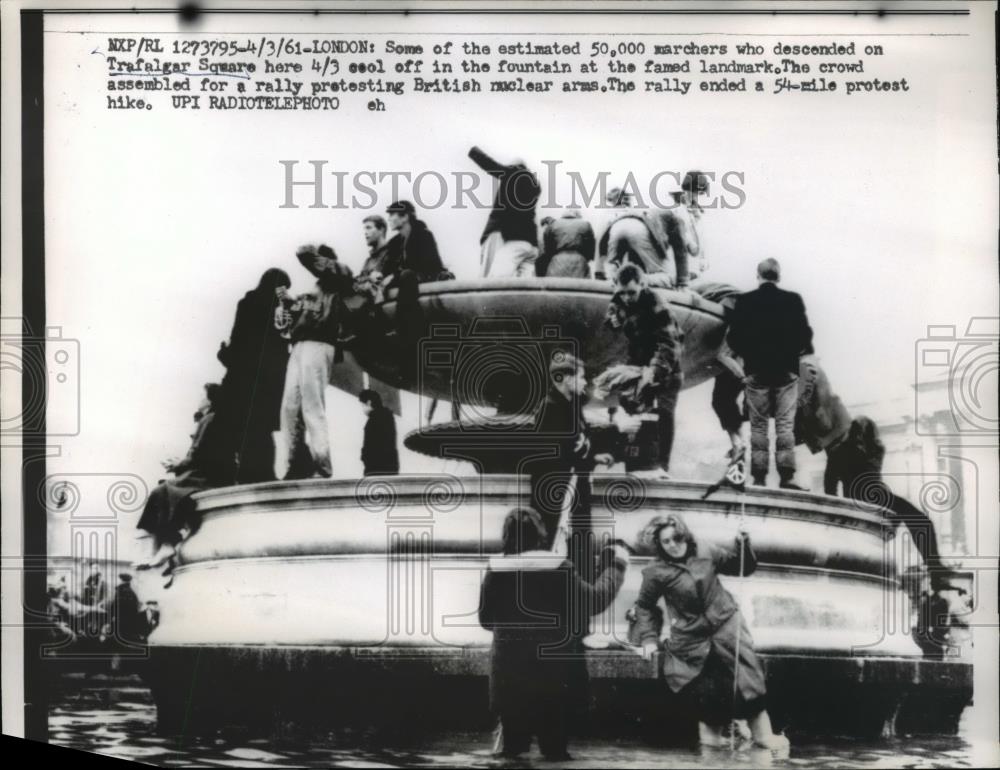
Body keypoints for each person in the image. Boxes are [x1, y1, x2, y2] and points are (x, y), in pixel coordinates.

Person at [479, 507, 630, 760]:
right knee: (556, 753)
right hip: (553, 678)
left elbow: (485, 620)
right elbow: (594, 601)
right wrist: (616, 565)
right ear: (541, 534)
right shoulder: (559, 567)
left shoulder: (496, 569)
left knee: (510, 754)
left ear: (506, 535)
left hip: (509, 678)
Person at [634, 513, 789, 753]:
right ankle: (712, 744)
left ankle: (763, 736)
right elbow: (644, 606)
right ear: (659, 544)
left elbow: (742, 567)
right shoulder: (655, 572)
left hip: (727, 626)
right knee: (708, 691)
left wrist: (743, 543)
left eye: (677, 538)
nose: (673, 545)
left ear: (684, 534)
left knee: (747, 679)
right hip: (691, 638)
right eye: (666, 542)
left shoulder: (706, 550)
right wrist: (648, 639)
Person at [825, 416, 947, 587]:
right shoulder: (876, 448)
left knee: (917, 520)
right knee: (921, 521)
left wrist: (840, 507)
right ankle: (936, 569)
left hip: (859, 497)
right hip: (876, 496)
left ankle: (936, 569)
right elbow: (869, 477)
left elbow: (829, 485)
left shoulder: (840, 451)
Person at [727, 258, 813, 489]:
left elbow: (733, 338)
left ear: (758, 276)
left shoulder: (745, 301)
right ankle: (787, 477)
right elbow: (805, 336)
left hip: (756, 371)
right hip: (786, 371)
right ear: (779, 276)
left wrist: (750, 354)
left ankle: (759, 477)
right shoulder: (793, 300)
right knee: (785, 424)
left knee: (758, 426)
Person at [528, 352, 615, 559]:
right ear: (566, 379)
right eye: (581, 376)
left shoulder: (571, 405)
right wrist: (589, 457)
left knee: (577, 545)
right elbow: (552, 455)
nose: (585, 381)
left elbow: (577, 443)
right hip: (557, 492)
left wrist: (593, 456)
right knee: (552, 547)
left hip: (574, 486)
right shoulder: (550, 408)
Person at [137, 383, 233, 568]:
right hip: (207, 472)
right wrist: (179, 464)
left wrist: (177, 465)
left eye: (201, 394)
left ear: (209, 399)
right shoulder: (212, 419)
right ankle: (162, 545)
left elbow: (198, 455)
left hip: (207, 476)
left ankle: (163, 544)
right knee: (163, 489)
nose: (199, 398)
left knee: (163, 490)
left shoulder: (210, 419)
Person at [603, 263, 684, 479]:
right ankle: (635, 464)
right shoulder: (620, 298)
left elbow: (669, 343)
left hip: (667, 366)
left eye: (632, 292)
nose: (628, 297)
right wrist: (613, 319)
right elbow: (612, 314)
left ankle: (661, 466)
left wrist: (654, 372)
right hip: (639, 362)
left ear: (643, 284)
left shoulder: (657, 304)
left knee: (664, 413)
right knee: (631, 406)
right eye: (623, 293)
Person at [279, 244, 353, 480]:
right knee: (290, 408)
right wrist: (289, 303)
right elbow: (303, 316)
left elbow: (305, 254)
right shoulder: (318, 288)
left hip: (319, 344)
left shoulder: (339, 276)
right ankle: (295, 464)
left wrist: (313, 255)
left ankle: (322, 466)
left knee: (312, 406)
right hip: (301, 345)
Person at [217, 268, 292, 483]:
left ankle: (239, 473)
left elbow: (238, 338)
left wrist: (225, 354)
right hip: (270, 379)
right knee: (262, 428)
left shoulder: (248, 303)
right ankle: (262, 473)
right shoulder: (279, 309)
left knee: (241, 426)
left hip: (243, 377)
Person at [597, 186, 693, 289]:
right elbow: (681, 252)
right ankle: (632, 280)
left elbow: (636, 255)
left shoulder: (654, 212)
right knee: (666, 277)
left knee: (612, 275)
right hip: (639, 228)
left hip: (616, 226)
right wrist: (683, 284)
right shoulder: (677, 219)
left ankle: (615, 282)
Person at [469, 146, 542, 278]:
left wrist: (474, 152)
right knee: (525, 283)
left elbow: (491, 165)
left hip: (510, 238)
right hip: (531, 243)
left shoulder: (513, 173)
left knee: (493, 278)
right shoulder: (534, 186)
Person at [536, 208, 595, 278]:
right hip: (580, 261)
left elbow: (547, 248)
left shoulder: (553, 225)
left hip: (557, 260)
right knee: (580, 286)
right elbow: (591, 247)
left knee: (556, 286)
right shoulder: (586, 224)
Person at [359, 389, 399, 476]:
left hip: (375, 469)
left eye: (362, 405)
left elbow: (369, 447)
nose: (362, 409)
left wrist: (363, 456)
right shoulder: (389, 417)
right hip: (391, 468)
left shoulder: (372, 420)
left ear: (369, 403)